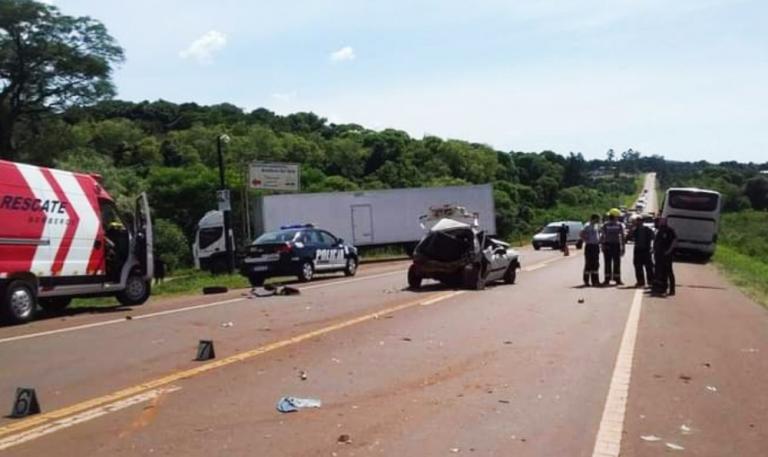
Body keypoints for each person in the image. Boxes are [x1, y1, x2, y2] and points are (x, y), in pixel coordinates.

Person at [652, 217, 677, 296]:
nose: (660, 223)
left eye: (661, 221)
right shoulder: (659, 230)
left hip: (667, 255)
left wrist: (669, 250)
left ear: (665, 222)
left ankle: (672, 289)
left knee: (669, 271)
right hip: (659, 254)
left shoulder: (670, 230)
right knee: (661, 271)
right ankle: (661, 288)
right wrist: (653, 249)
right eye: (660, 221)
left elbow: (675, 241)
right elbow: (657, 241)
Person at [601, 208, 625, 286]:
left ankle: (609, 279)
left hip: (611, 245)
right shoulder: (618, 224)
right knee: (615, 263)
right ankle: (615, 279)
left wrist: (602, 245)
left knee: (610, 263)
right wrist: (623, 247)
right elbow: (622, 236)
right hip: (614, 245)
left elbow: (602, 236)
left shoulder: (606, 224)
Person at [630, 215, 655, 288]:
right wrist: (632, 227)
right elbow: (630, 237)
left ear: (642, 222)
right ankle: (640, 282)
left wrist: (652, 248)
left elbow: (653, 238)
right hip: (638, 250)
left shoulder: (648, 229)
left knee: (648, 267)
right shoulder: (635, 230)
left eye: (639, 221)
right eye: (637, 221)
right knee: (638, 266)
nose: (638, 222)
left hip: (646, 250)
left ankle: (650, 281)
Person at [580, 214, 602, 286]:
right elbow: (581, 233)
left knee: (595, 264)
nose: (598, 221)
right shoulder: (587, 225)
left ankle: (595, 281)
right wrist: (586, 239)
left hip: (595, 246)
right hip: (590, 246)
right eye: (597, 219)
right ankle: (586, 281)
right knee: (588, 263)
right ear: (594, 219)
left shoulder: (596, 226)